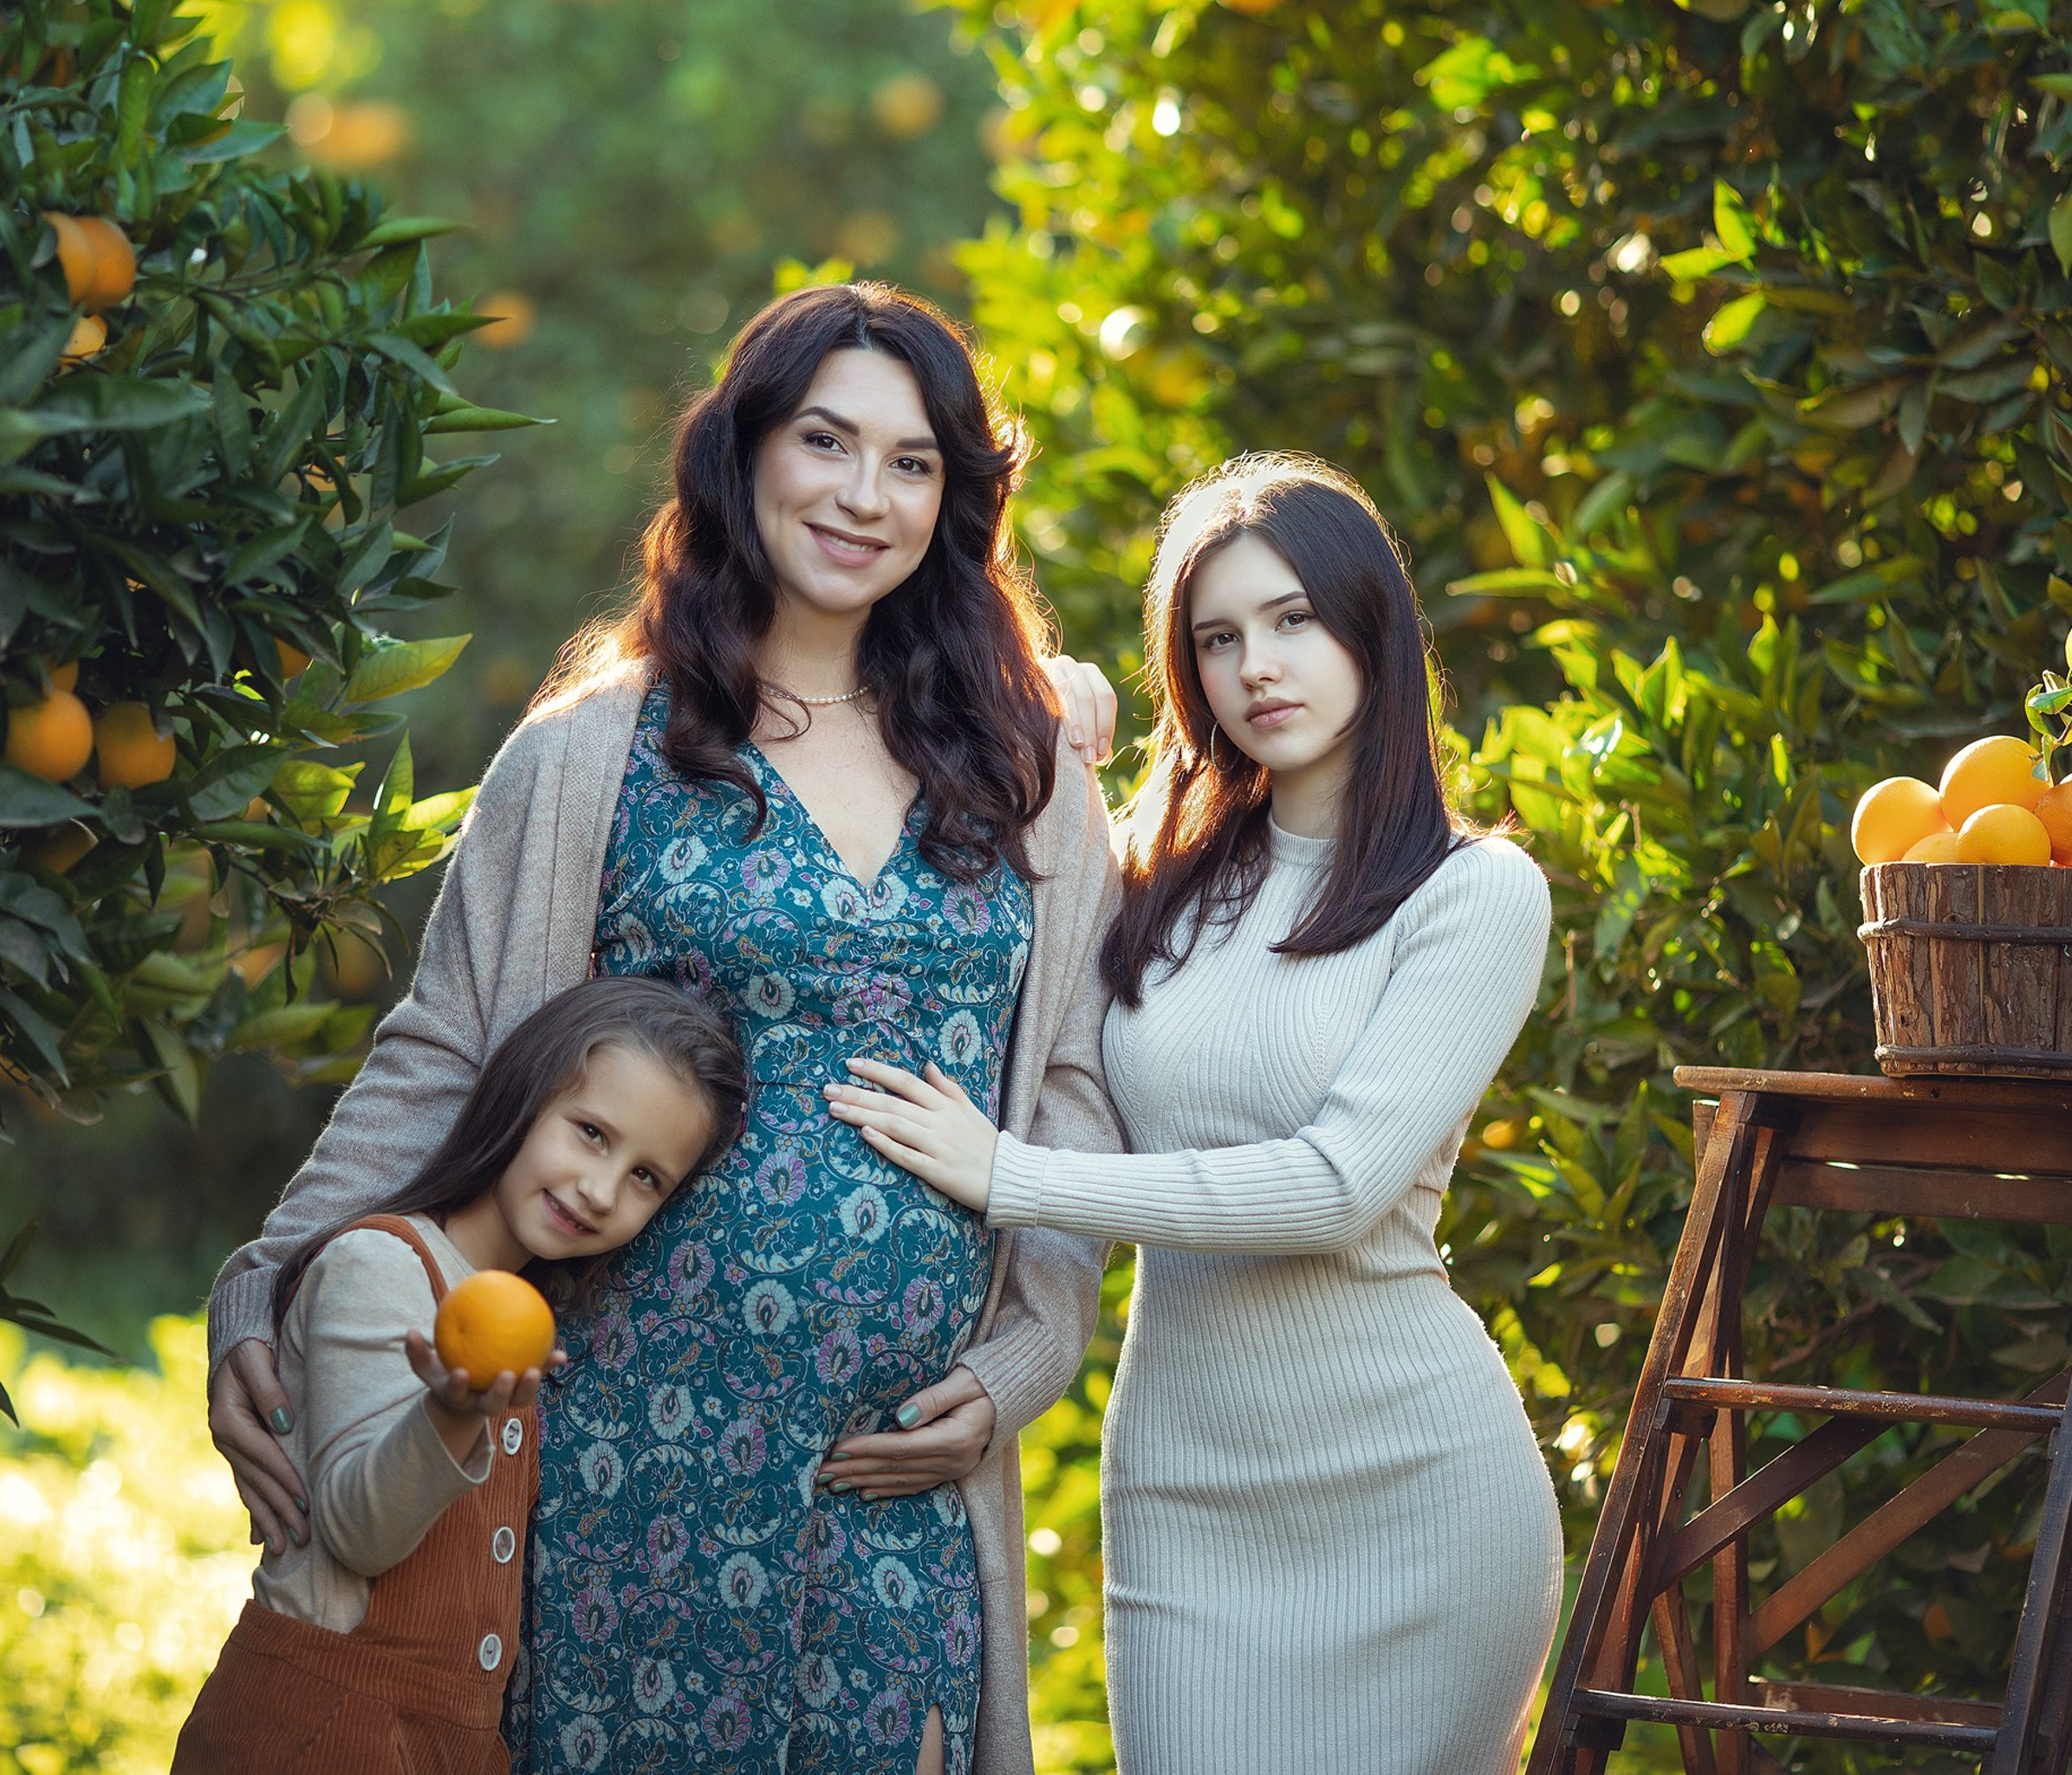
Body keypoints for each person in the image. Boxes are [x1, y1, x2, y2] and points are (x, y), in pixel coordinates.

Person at [205, 283, 1125, 1775]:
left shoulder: (1025, 773)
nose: (862, 495)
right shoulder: (598, 750)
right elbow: (447, 1047)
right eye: (825, 440)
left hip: (894, 1473)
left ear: (955, 503)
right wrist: (267, 1277)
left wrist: (1031, 1353)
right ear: (743, 452)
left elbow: (1079, 1077)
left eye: (912, 463)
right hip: (619, 1460)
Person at [824, 452, 1565, 1775]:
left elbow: (1337, 1186)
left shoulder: (1476, 894)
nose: (1257, 667)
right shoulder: (1157, 877)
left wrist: (1013, 1176)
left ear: (1372, 630)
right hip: (1186, 1489)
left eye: (1294, 620)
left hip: (1420, 1500)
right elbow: (1017, 862)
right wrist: (1036, 697)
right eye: (1218, 639)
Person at [174, 976, 747, 1774]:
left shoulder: (522, 1321)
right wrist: (449, 1412)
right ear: (524, 1096)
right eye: (590, 1132)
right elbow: (357, 1530)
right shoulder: (381, 1265)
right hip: (318, 1726)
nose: (602, 1189)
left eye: (647, 1177)